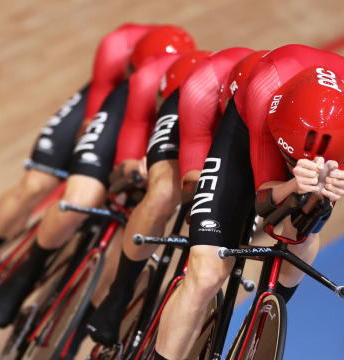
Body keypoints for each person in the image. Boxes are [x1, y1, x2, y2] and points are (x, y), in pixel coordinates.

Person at [153, 44, 344, 360]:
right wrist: (291, 182)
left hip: (316, 146)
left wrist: (318, 192)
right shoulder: (264, 89)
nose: (290, 163)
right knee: (206, 273)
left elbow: (292, 228)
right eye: (288, 158)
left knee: (300, 233)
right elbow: (264, 204)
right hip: (249, 128)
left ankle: (262, 318)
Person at [0, 23, 157, 319]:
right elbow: (92, 122)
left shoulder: (171, 95)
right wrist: (88, 161)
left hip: (151, 120)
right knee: (36, 184)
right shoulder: (117, 47)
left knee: (130, 226)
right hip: (105, 105)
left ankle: (76, 320)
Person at [0, 25, 198, 328]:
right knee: (80, 200)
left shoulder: (202, 111)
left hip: (180, 132)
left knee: (135, 235)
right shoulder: (142, 80)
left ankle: (77, 327)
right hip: (126, 120)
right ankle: (26, 274)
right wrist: (127, 167)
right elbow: (129, 146)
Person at [86, 47, 258, 346]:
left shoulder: (271, 113)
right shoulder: (202, 85)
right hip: (193, 124)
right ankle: (119, 295)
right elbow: (193, 170)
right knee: (166, 193)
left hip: (243, 143)